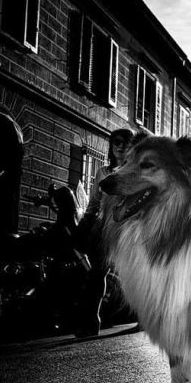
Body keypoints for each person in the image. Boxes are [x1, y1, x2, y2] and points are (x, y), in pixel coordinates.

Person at [75, 128, 134, 337]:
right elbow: (94, 201)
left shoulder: (134, 173)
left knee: (131, 275)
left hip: (127, 231)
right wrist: (84, 223)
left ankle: (141, 317)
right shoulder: (103, 172)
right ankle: (92, 319)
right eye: (116, 142)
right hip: (105, 230)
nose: (120, 146)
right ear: (110, 146)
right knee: (97, 273)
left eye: (126, 143)